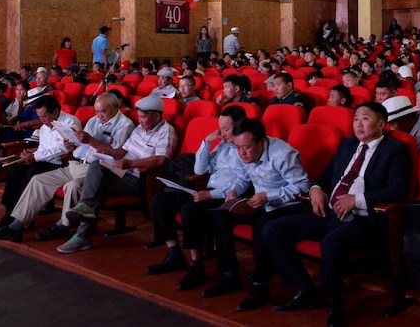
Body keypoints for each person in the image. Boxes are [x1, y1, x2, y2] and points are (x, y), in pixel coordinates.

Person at [261, 102, 411, 325]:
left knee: (330, 244)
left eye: (366, 118)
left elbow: (399, 189)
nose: (359, 123)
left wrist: (356, 200)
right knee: (273, 229)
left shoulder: (395, 149)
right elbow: (326, 174)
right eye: (356, 118)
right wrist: (316, 190)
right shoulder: (347, 145)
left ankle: (334, 305)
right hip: (329, 213)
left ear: (382, 124)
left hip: (362, 218)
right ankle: (306, 290)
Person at [0, 93, 135, 242]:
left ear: (116, 107)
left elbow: (115, 153)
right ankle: (17, 225)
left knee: (71, 186)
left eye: (103, 111)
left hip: (98, 169)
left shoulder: (125, 125)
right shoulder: (93, 120)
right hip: (76, 163)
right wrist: (70, 145)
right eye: (96, 111)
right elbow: (81, 143)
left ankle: (63, 225)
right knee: (38, 179)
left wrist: (90, 140)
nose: (99, 115)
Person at [202, 118, 309, 312]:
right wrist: (233, 191)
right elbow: (244, 176)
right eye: (238, 147)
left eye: (247, 148)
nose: (242, 153)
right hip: (260, 201)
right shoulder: (243, 150)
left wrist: (269, 196)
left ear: (262, 141)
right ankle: (229, 275)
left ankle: (261, 285)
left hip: (287, 205)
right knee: (222, 216)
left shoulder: (283, 154)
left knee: (261, 224)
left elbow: (302, 187)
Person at [145, 107, 249, 290]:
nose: (222, 133)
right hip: (206, 191)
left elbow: (243, 182)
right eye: (220, 128)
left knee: (189, 211)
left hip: (225, 196)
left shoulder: (247, 148)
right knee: (160, 201)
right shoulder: (223, 145)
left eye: (226, 128)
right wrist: (206, 142)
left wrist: (209, 195)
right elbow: (200, 170)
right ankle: (174, 253)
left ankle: (196, 265)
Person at [60, 95, 177, 253]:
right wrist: (99, 146)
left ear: (156, 115)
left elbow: (160, 161)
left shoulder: (166, 131)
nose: (140, 120)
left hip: (138, 178)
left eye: (143, 117)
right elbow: (121, 152)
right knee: (96, 165)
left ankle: (82, 235)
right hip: (121, 170)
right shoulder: (139, 129)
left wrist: (131, 163)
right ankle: (84, 210)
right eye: (139, 116)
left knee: (95, 189)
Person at [0, 95, 82, 227]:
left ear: (55, 111)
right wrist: (30, 155)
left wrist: (35, 157)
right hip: (44, 160)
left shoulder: (70, 122)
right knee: (15, 170)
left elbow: (63, 149)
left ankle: (23, 218)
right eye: (39, 117)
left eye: (45, 116)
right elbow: (43, 149)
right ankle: (9, 212)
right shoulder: (44, 127)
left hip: (61, 163)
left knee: (32, 172)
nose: (42, 120)